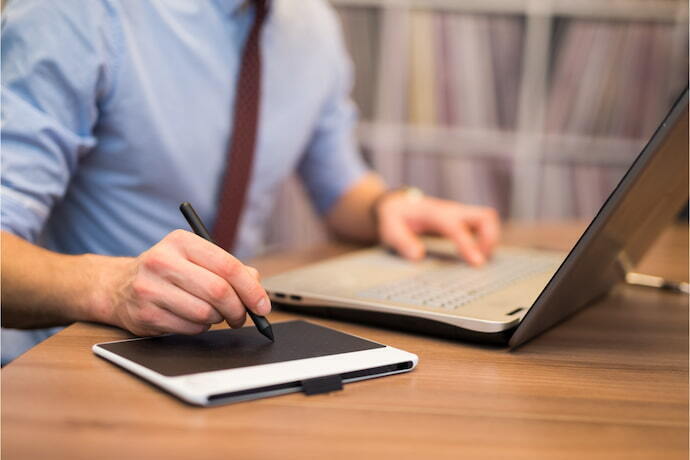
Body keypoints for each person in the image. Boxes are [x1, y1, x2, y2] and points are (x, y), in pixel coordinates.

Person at [0, 0, 500, 364]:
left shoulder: (314, 26)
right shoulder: (74, 14)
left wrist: (385, 205)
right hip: (66, 363)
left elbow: (339, 186)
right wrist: (112, 288)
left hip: (229, 353)